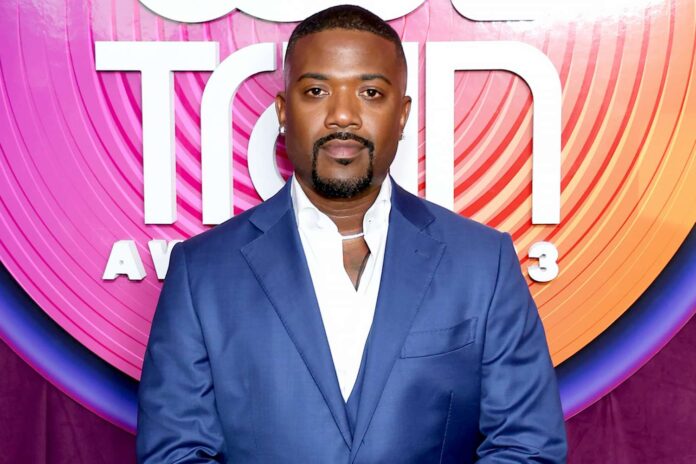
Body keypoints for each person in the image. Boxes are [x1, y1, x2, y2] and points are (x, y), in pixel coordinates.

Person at [136, 5, 567, 463]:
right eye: (317, 91)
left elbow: (527, 446)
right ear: (283, 111)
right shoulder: (202, 272)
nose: (343, 115)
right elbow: (175, 452)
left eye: (370, 92)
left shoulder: (483, 262)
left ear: (402, 115)